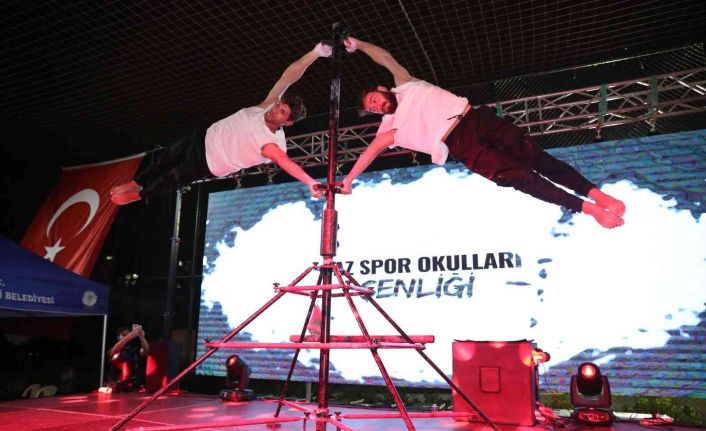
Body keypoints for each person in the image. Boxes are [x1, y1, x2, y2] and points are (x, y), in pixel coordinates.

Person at [340, 38, 626, 229]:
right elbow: (369, 152)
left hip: (475, 119)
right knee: (523, 180)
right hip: (461, 145)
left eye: (374, 100)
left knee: (537, 158)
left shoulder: (405, 84)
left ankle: (598, 195)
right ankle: (588, 209)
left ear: (381, 90)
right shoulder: (389, 128)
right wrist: (349, 180)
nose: (377, 107)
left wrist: (359, 45)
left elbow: (385, 57)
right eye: (373, 109)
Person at [111, 42, 333, 205]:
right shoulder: (265, 107)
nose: (275, 109)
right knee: (165, 158)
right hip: (202, 138)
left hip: (207, 163)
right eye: (279, 104)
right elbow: (288, 77)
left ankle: (138, 195)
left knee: (170, 179)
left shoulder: (271, 143)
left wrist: (309, 182)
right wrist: (315, 53)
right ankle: (135, 183)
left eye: (282, 112)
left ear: (288, 122)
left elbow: (285, 162)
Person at [109, 325, 150, 390]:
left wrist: (141, 337)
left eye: (127, 335)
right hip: (117, 386)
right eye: (123, 335)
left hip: (135, 386)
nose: (127, 336)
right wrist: (130, 335)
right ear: (118, 337)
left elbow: (146, 351)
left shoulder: (135, 349)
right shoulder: (114, 349)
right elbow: (114, 351)